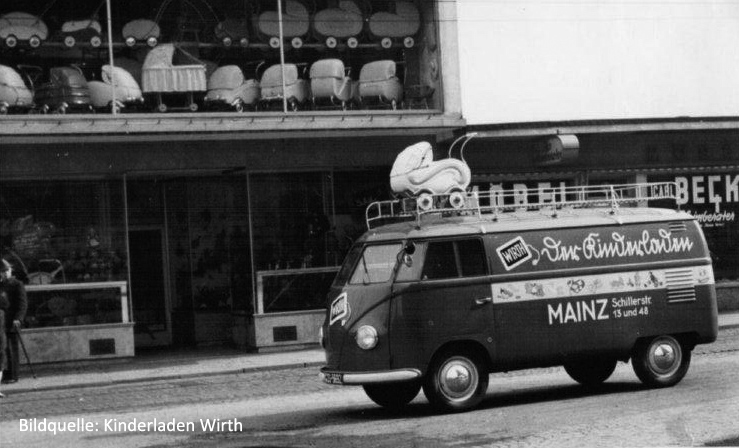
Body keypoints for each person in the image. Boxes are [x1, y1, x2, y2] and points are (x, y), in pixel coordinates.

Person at [1, 258, 27, 384]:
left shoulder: (17, 284)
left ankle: (13, 374)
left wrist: (18, 318)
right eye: (2, 271)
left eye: (7, 271)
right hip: (1, 321)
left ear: (10, 271)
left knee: (11, 349)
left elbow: (22, 304)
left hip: (12, 320)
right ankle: (4, 373)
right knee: (3, 349)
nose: (5, 273)